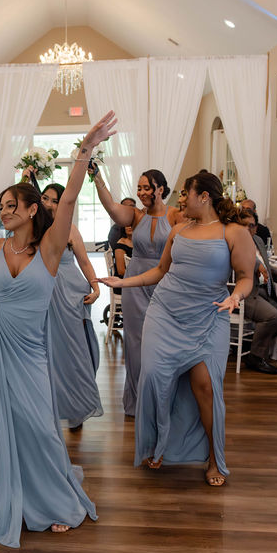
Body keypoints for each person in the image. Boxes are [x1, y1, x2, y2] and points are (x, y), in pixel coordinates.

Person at [0, 112, 114, 548]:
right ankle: (8, 491)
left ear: (32, 210)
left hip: (27, 350)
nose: (5, 212)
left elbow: (66, 202)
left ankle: (52, 498)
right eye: (2, 206)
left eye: (13, 206)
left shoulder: (49, 249)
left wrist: (83, 152)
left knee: (37, 423)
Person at [102, 171, 255, 487]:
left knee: (205, 388)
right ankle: (159, 446)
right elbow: (159, 271)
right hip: (165, 313)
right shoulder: (180, 229)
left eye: (187, 193)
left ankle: (214, 458)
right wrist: (122, 282)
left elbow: (245, 276)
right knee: (154, 379)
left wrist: (236, 297)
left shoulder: (234, 232)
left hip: (209, 316)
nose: (181, 199)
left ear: (204, 196)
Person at [92, 166, 185, 416]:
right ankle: (137, 402)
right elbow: (111, 206)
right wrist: (97, 176)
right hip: (136, 285)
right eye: (139, 188)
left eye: (147, 188)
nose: (142, 192)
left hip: (166, 284)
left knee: (163, 343)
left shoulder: (176, 215)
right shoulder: (136, 216)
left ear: (160, 189)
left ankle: (163, 400)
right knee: (135, 343)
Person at [39, 183, 102, 431]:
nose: (49, 204)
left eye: (55, 200)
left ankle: (77, 406)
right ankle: (48, 407)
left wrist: (96, 288)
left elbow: (84, 262)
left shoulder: (71, 230)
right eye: (45, 198)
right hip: (43, 294)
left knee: (75, 352)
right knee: (45, 353)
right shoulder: (33, 230)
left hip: (70, 295)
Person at [237, 209, 277, 374]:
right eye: (243, 225)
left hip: (263, 290)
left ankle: (252, 346)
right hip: (243, 293)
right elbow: (241, 262)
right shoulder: (232, 241)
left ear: (256, 227)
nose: (248, 229)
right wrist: (256, 264)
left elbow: (266, 265)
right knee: (272, 317)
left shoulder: (258, 240)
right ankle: (255, 357)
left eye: (252, 226)